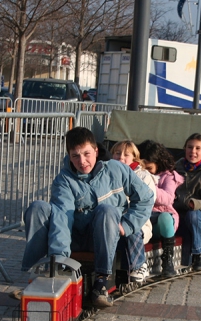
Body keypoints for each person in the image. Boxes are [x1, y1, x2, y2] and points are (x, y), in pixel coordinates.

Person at [21, 127, 154, 307]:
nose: (82, 161)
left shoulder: (117, 169)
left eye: (87, 154)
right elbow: (62, 217)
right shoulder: (64, 181)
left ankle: (101, 281)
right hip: (75, 237)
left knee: (107, 210)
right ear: (69, 155)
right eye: (75, 156)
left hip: (108, 237)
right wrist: (59, 260)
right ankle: (36, 275)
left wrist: (127, 224)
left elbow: (145, 197)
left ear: (96, 151)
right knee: (38, 208)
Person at [110, 140, 158, 283]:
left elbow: (147, 202)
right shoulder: (106, 173)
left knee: (131, 227)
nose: (121, 157)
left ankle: (139, 265)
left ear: (134, 158)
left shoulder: (143, 176)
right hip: (113, 218)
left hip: (138, 220)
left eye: (126, 154)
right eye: (117, 153)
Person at [138, 140, 184, 277]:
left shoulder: (169, 176)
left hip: (160, 219)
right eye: (143, 168)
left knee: (165, 217)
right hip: (145, 217)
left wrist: (148, 186)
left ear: (158, 163)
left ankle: (168, 258)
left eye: (149, 169)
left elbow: (168, 198)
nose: (146, 172)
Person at [174, 133, 201, 271]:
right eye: (190, 147)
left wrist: (194, 204)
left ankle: (198, 253)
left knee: (192, 216)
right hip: (179, 214)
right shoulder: (177, 168)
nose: (193, 151)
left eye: (197, 148)